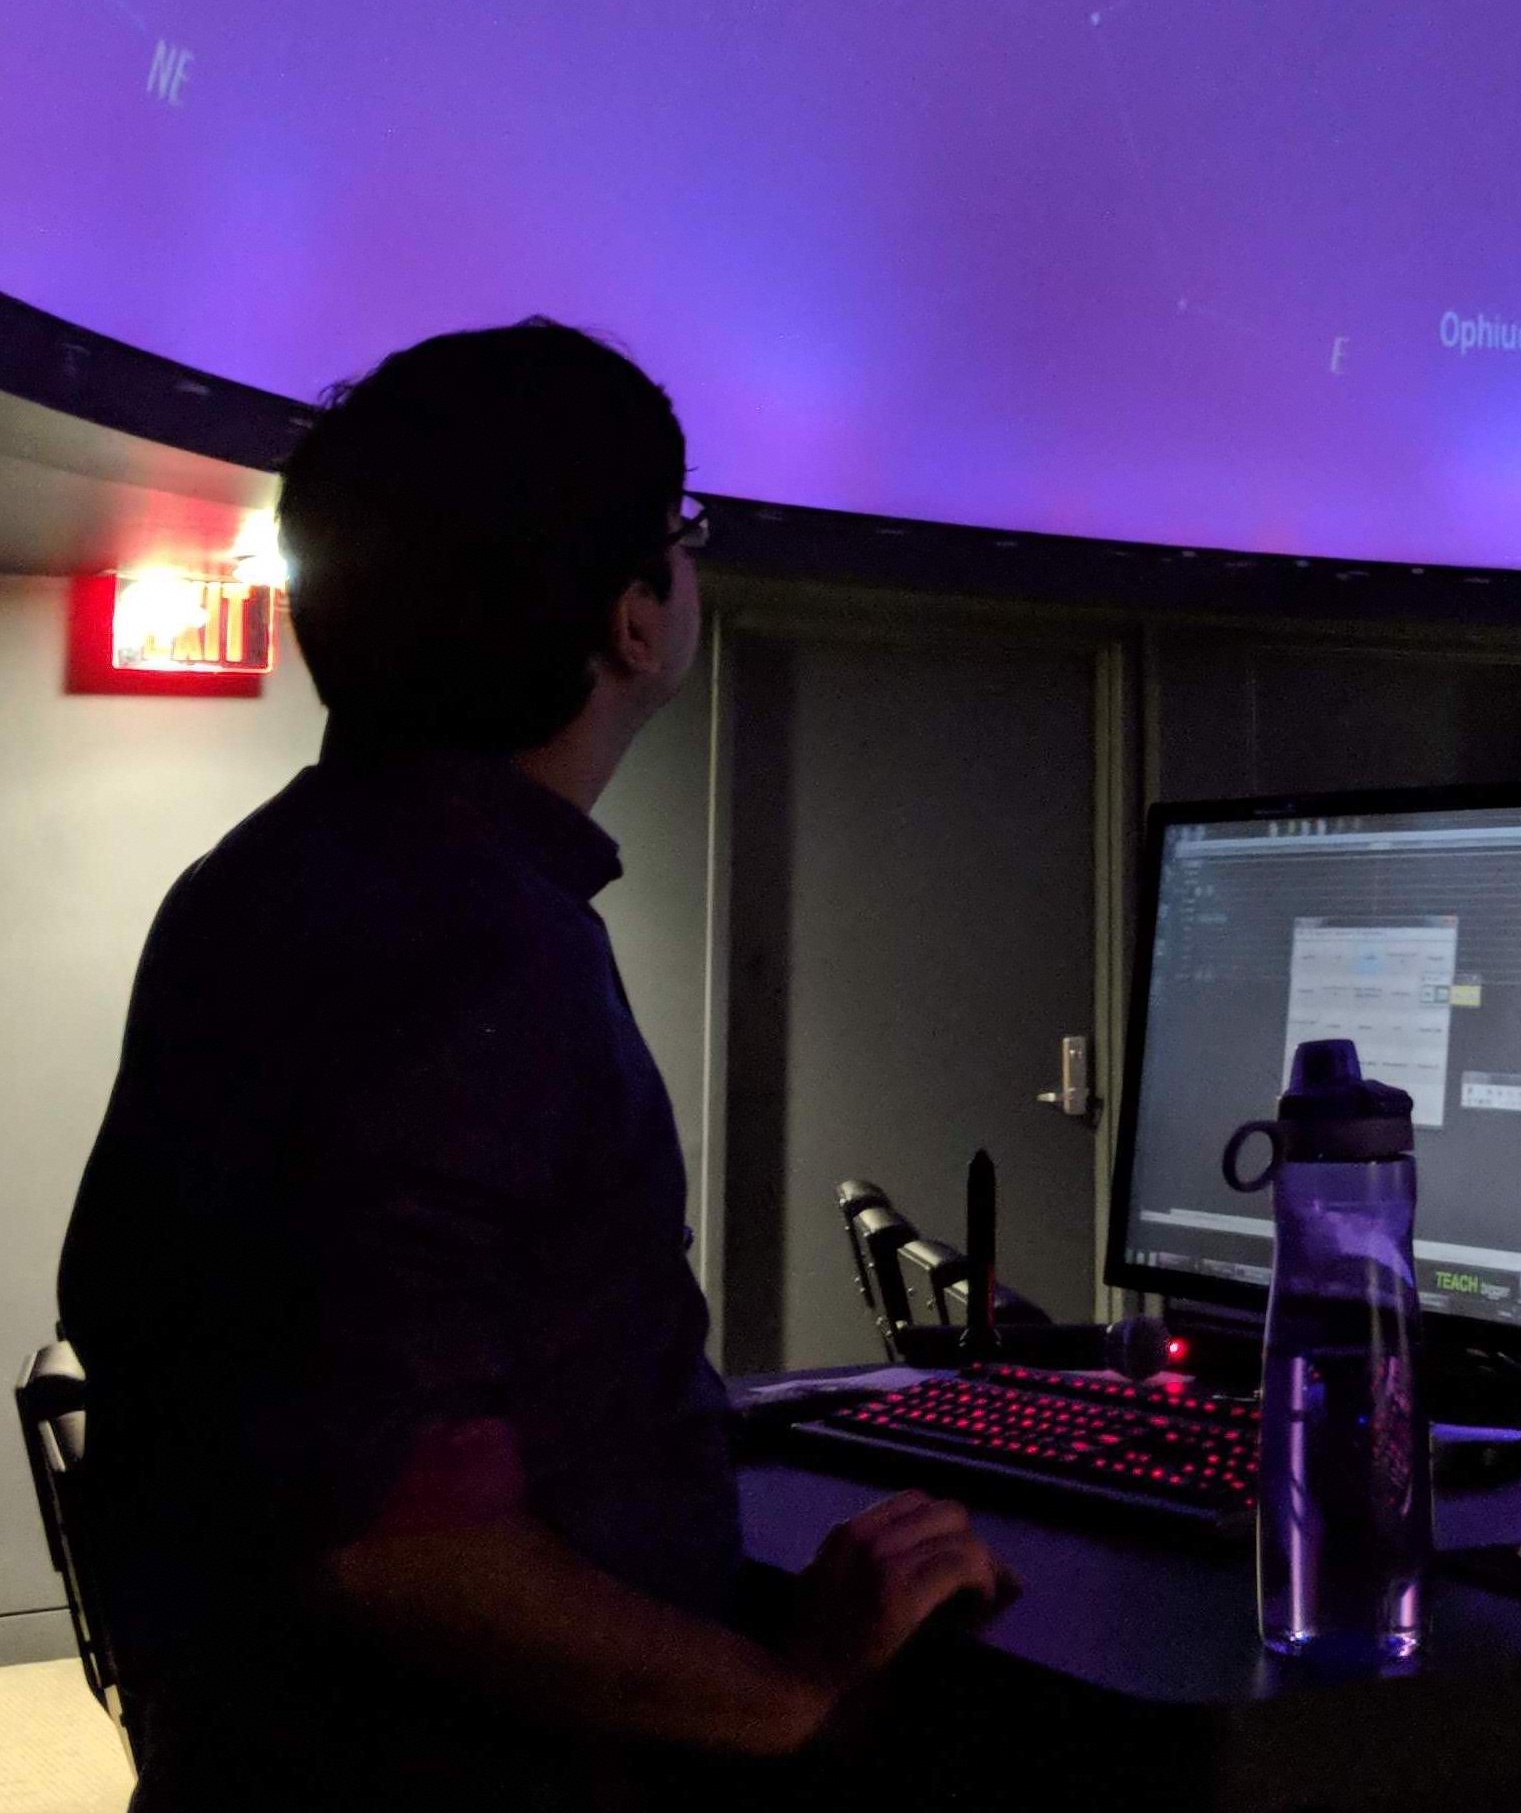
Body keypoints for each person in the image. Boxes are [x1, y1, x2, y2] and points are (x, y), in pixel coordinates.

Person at [58, 319, 1008, 1810]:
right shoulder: (472, 942)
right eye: (681, 537)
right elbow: (395, 1531)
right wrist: (779, 1692)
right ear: (633, 620)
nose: (692, 569)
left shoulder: (254, 884)